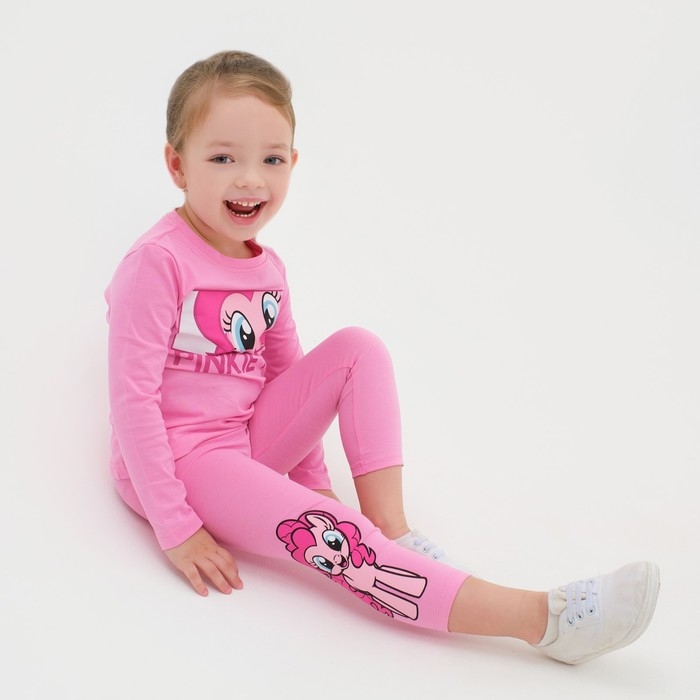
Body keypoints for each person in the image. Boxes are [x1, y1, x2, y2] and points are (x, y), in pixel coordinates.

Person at [105, 49, 660, 665]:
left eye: (271, 159)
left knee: (357, 349)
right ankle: (545, 622)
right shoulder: (159, 262)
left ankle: (394, 532)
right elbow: (131, 401)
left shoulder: (267, 267)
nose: (250, 180)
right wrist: (176, 526)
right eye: (222, 158)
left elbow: (290, 379)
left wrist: (314, 482)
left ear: (293, 163)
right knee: (329, 536)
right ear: (177, 166)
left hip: (243, 439)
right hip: (182, 462)